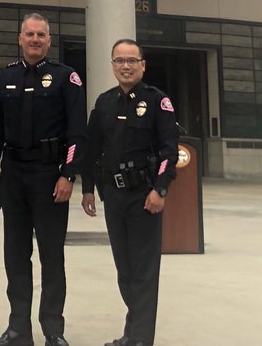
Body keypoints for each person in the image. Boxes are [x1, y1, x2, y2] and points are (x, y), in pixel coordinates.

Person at [0, 13, 86, 346]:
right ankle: (18, 329)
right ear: (20, 38)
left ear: (49, 41)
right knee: (15, 254)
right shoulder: (4, 78)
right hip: (13, 174)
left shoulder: (65, 78)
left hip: (49, 175)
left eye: (41, 35)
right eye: (30, 34)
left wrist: (68, 174)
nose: (35, 39)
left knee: (51, 255)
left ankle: (53, 330)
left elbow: (77, 132)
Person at [80, 40, 179, 346]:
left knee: (144, 271)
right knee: (124, 270)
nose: (125, 66)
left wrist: (160, 189)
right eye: (119, 60)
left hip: (144, 196)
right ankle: (132, 332)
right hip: (114, 196)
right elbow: (91, 149)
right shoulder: (104, 102)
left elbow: (169, 152)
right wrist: (88, 189)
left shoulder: (157, 101)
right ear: (112, 65)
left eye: (131, 60)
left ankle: (140, 339)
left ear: (142, 65)